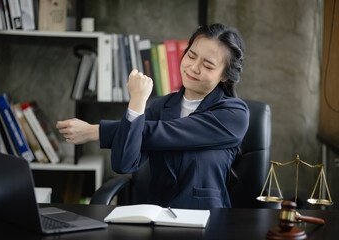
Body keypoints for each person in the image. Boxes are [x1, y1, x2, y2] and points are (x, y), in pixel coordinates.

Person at [56, 23, 249, 209]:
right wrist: (137, 101)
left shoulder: (234, 114)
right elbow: (124, 164)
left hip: (208, 219)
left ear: (225, 75)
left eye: (208, 65)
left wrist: (96, 131)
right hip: (158, 216)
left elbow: (171, 132)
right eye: (191, 56)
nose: (194, 68)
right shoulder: (159, 107)